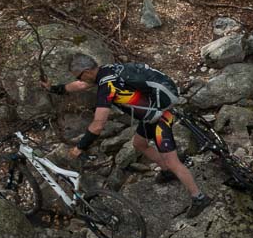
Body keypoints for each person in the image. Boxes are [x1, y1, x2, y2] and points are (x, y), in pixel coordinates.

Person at [45, 54, 210, 219]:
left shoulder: (107, 86)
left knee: (172, 160)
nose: (81, 80)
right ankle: (167, 172)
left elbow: (98, 125)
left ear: (87, 72)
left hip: (160, 117)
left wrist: (79, 147)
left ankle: (199, 197)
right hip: (151, 113)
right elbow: (80, 86)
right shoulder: (108, 70)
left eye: (79, 76)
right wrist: (54, 88)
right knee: (139, 144)